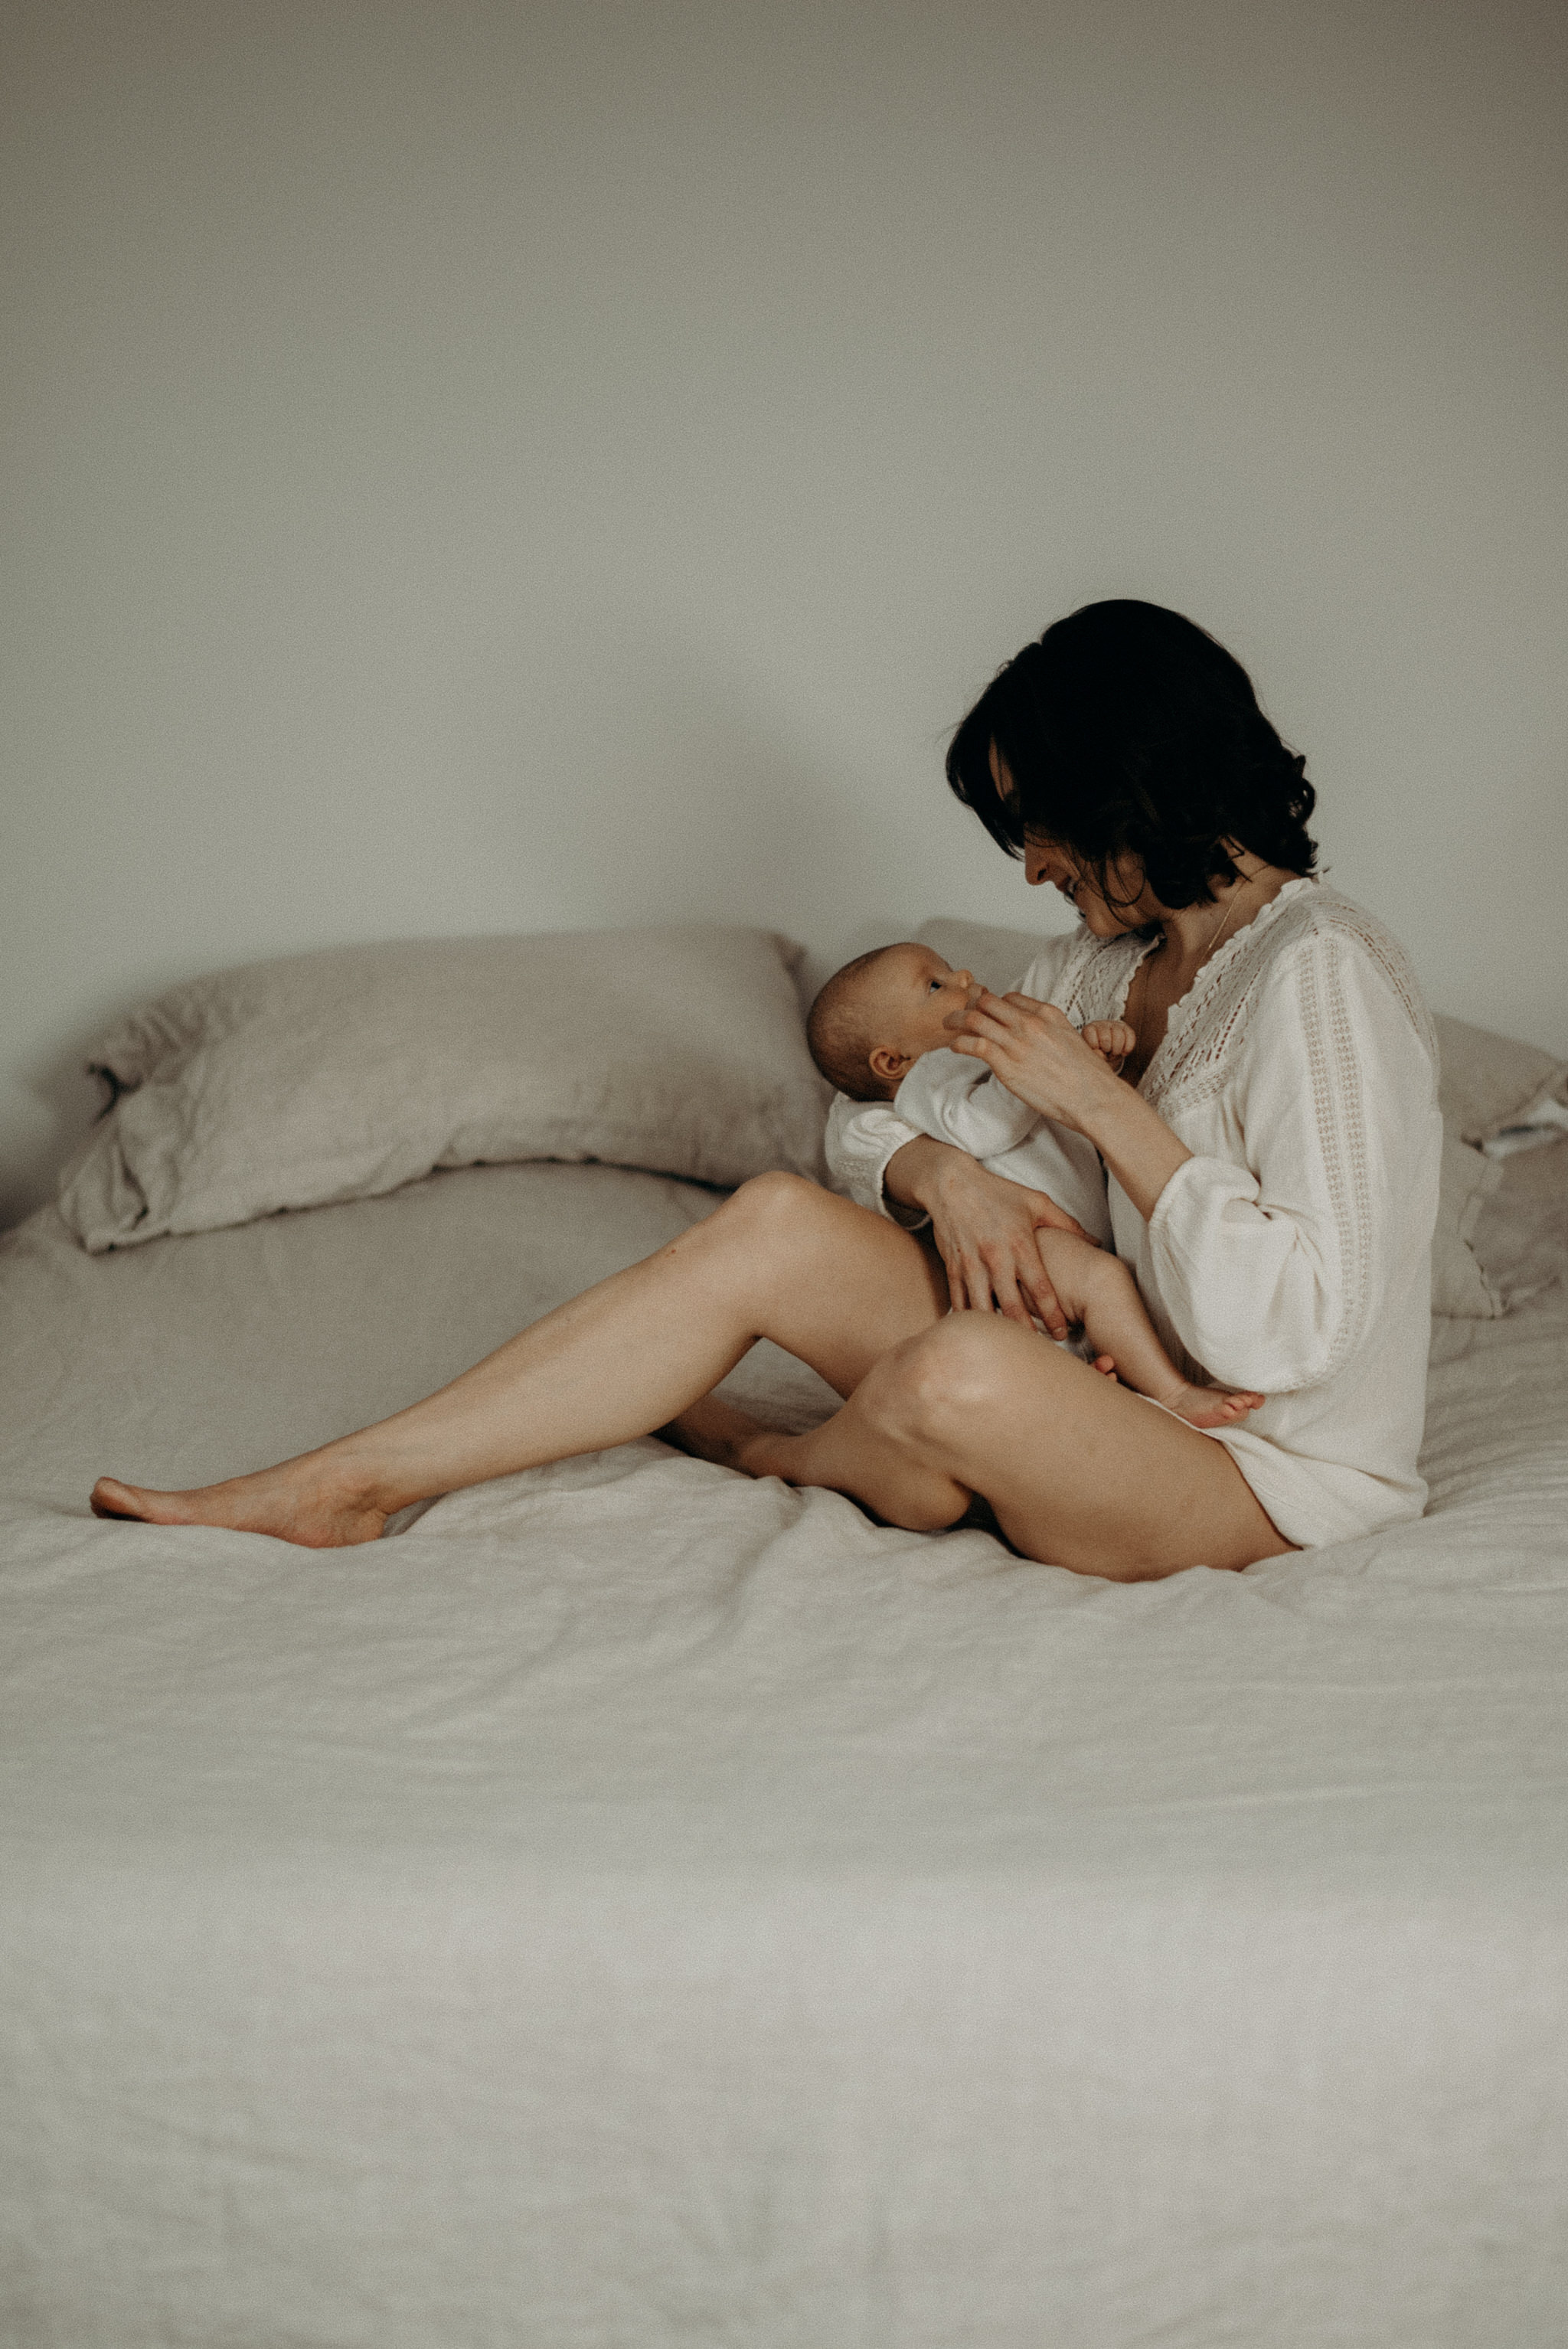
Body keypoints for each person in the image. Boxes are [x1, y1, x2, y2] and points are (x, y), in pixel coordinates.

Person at [90, 599, 1442, 1583]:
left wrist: (1108, 1118)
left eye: (1036, 819)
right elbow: (859, 1119)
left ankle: (805, 1453)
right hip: (1098, 1367)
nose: (1027, 864)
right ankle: (347, 1482)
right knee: (773, 1220)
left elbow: (1294, 1338)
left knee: (960, 1369)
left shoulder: (1319, 977)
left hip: (1258, 1474)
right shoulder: (1093, 965)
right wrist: (945, 1179)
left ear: (1128, 783)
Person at [806, 942, 1264, 1429]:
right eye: (935, 985)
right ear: (892, 1062)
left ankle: (1090, 1389)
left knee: (1101, 1301)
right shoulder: (928, 1076)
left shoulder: (968, 1061)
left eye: (948, 966)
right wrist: (1030, 1071)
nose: (962, 975)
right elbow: (986, 1126)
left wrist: (1088, 1061)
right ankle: (1172, 1393)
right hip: (1028, 1237)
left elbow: (1063, 1118)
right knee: (1103, 1282)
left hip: (1054, 1234)